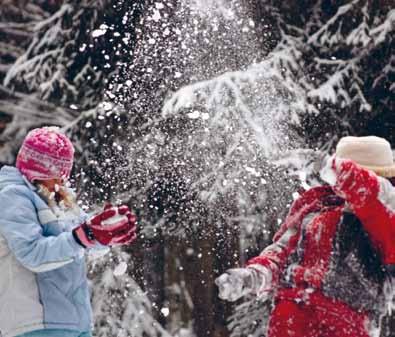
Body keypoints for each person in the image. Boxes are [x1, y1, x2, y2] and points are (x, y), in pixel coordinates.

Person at [216, 136, 395, 337]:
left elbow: (371, 195)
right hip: (291, 317)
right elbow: (283, 253)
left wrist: (330, 166)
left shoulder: (387, 210)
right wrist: (254, 275)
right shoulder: (316, 204)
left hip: (348, 324)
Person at [0, 127, 137, 337]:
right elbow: (32, 254)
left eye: (65, 172)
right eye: (57, 173)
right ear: (39, 168)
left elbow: (81, 240)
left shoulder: (58, 199)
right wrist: (83, 237)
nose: (62, 180)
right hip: (35, 324)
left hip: (73, 322)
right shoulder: (13, 197)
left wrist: (104, 234)